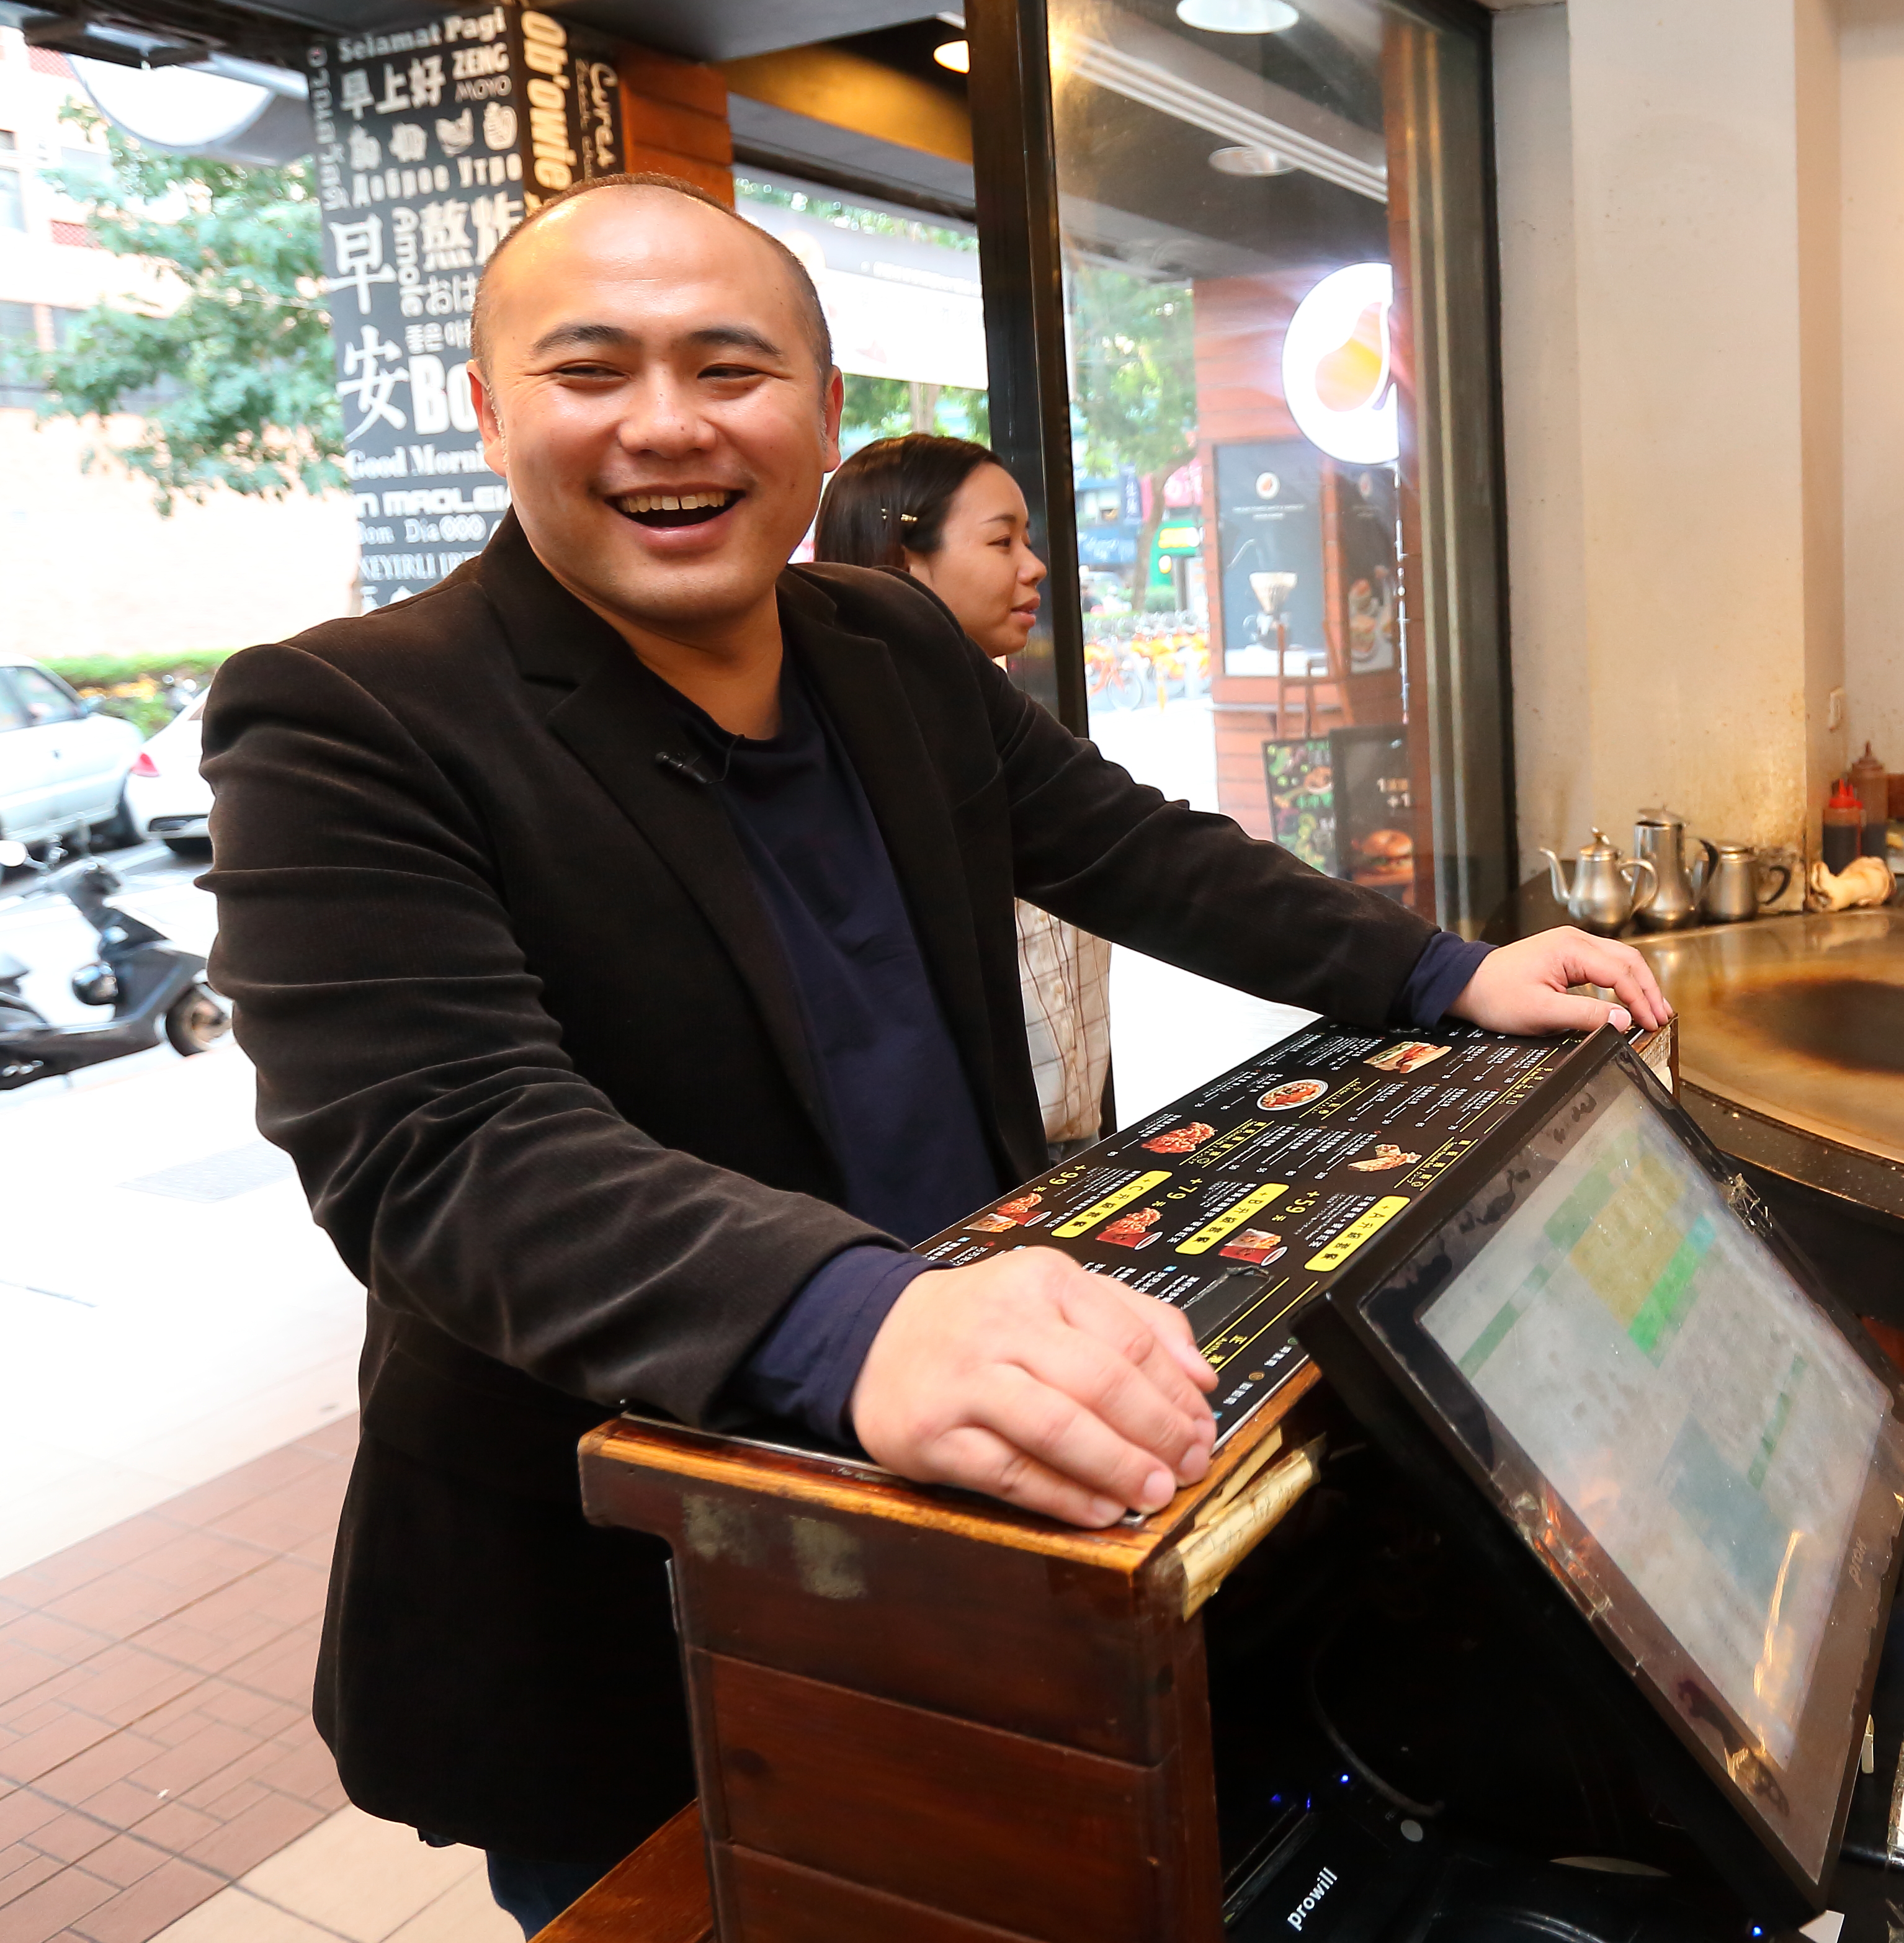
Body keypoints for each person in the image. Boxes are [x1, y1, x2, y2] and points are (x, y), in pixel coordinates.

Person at [202, 173, 1669, 1933]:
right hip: (626, 1590)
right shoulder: (348, 713)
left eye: (729, 369)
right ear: (488, 405)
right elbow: (442, 1142)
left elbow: (1129, 849)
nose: (665, 425)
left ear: (822, 416)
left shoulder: (882, 640)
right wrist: (864, 1316)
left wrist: (1445, 969)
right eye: (589, 370)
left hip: (974, 1510)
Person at [811, 434, 1108, 1155]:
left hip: (1074, 1150)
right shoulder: (857, 763)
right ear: (902, 562)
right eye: (1001, 542)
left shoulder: (1010, 724)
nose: (1034, 567)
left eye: (1028, 539)